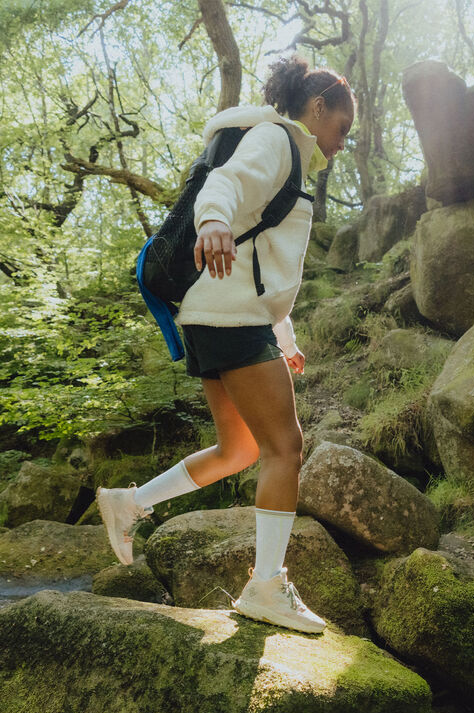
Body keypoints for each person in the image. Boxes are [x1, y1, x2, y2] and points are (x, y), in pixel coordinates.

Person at [97, 54, 355, 633]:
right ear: (318, 108)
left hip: (221, 314)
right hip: (229, 317)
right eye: (342, 128)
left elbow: (261, 261)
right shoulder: (277, 139)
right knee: (285, 448)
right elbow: (227, 187)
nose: (342, 142)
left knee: (238, 450)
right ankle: (266, 587)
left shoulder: (285, 150)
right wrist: (213, 220)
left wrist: (282, 337)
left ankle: (129, 503)